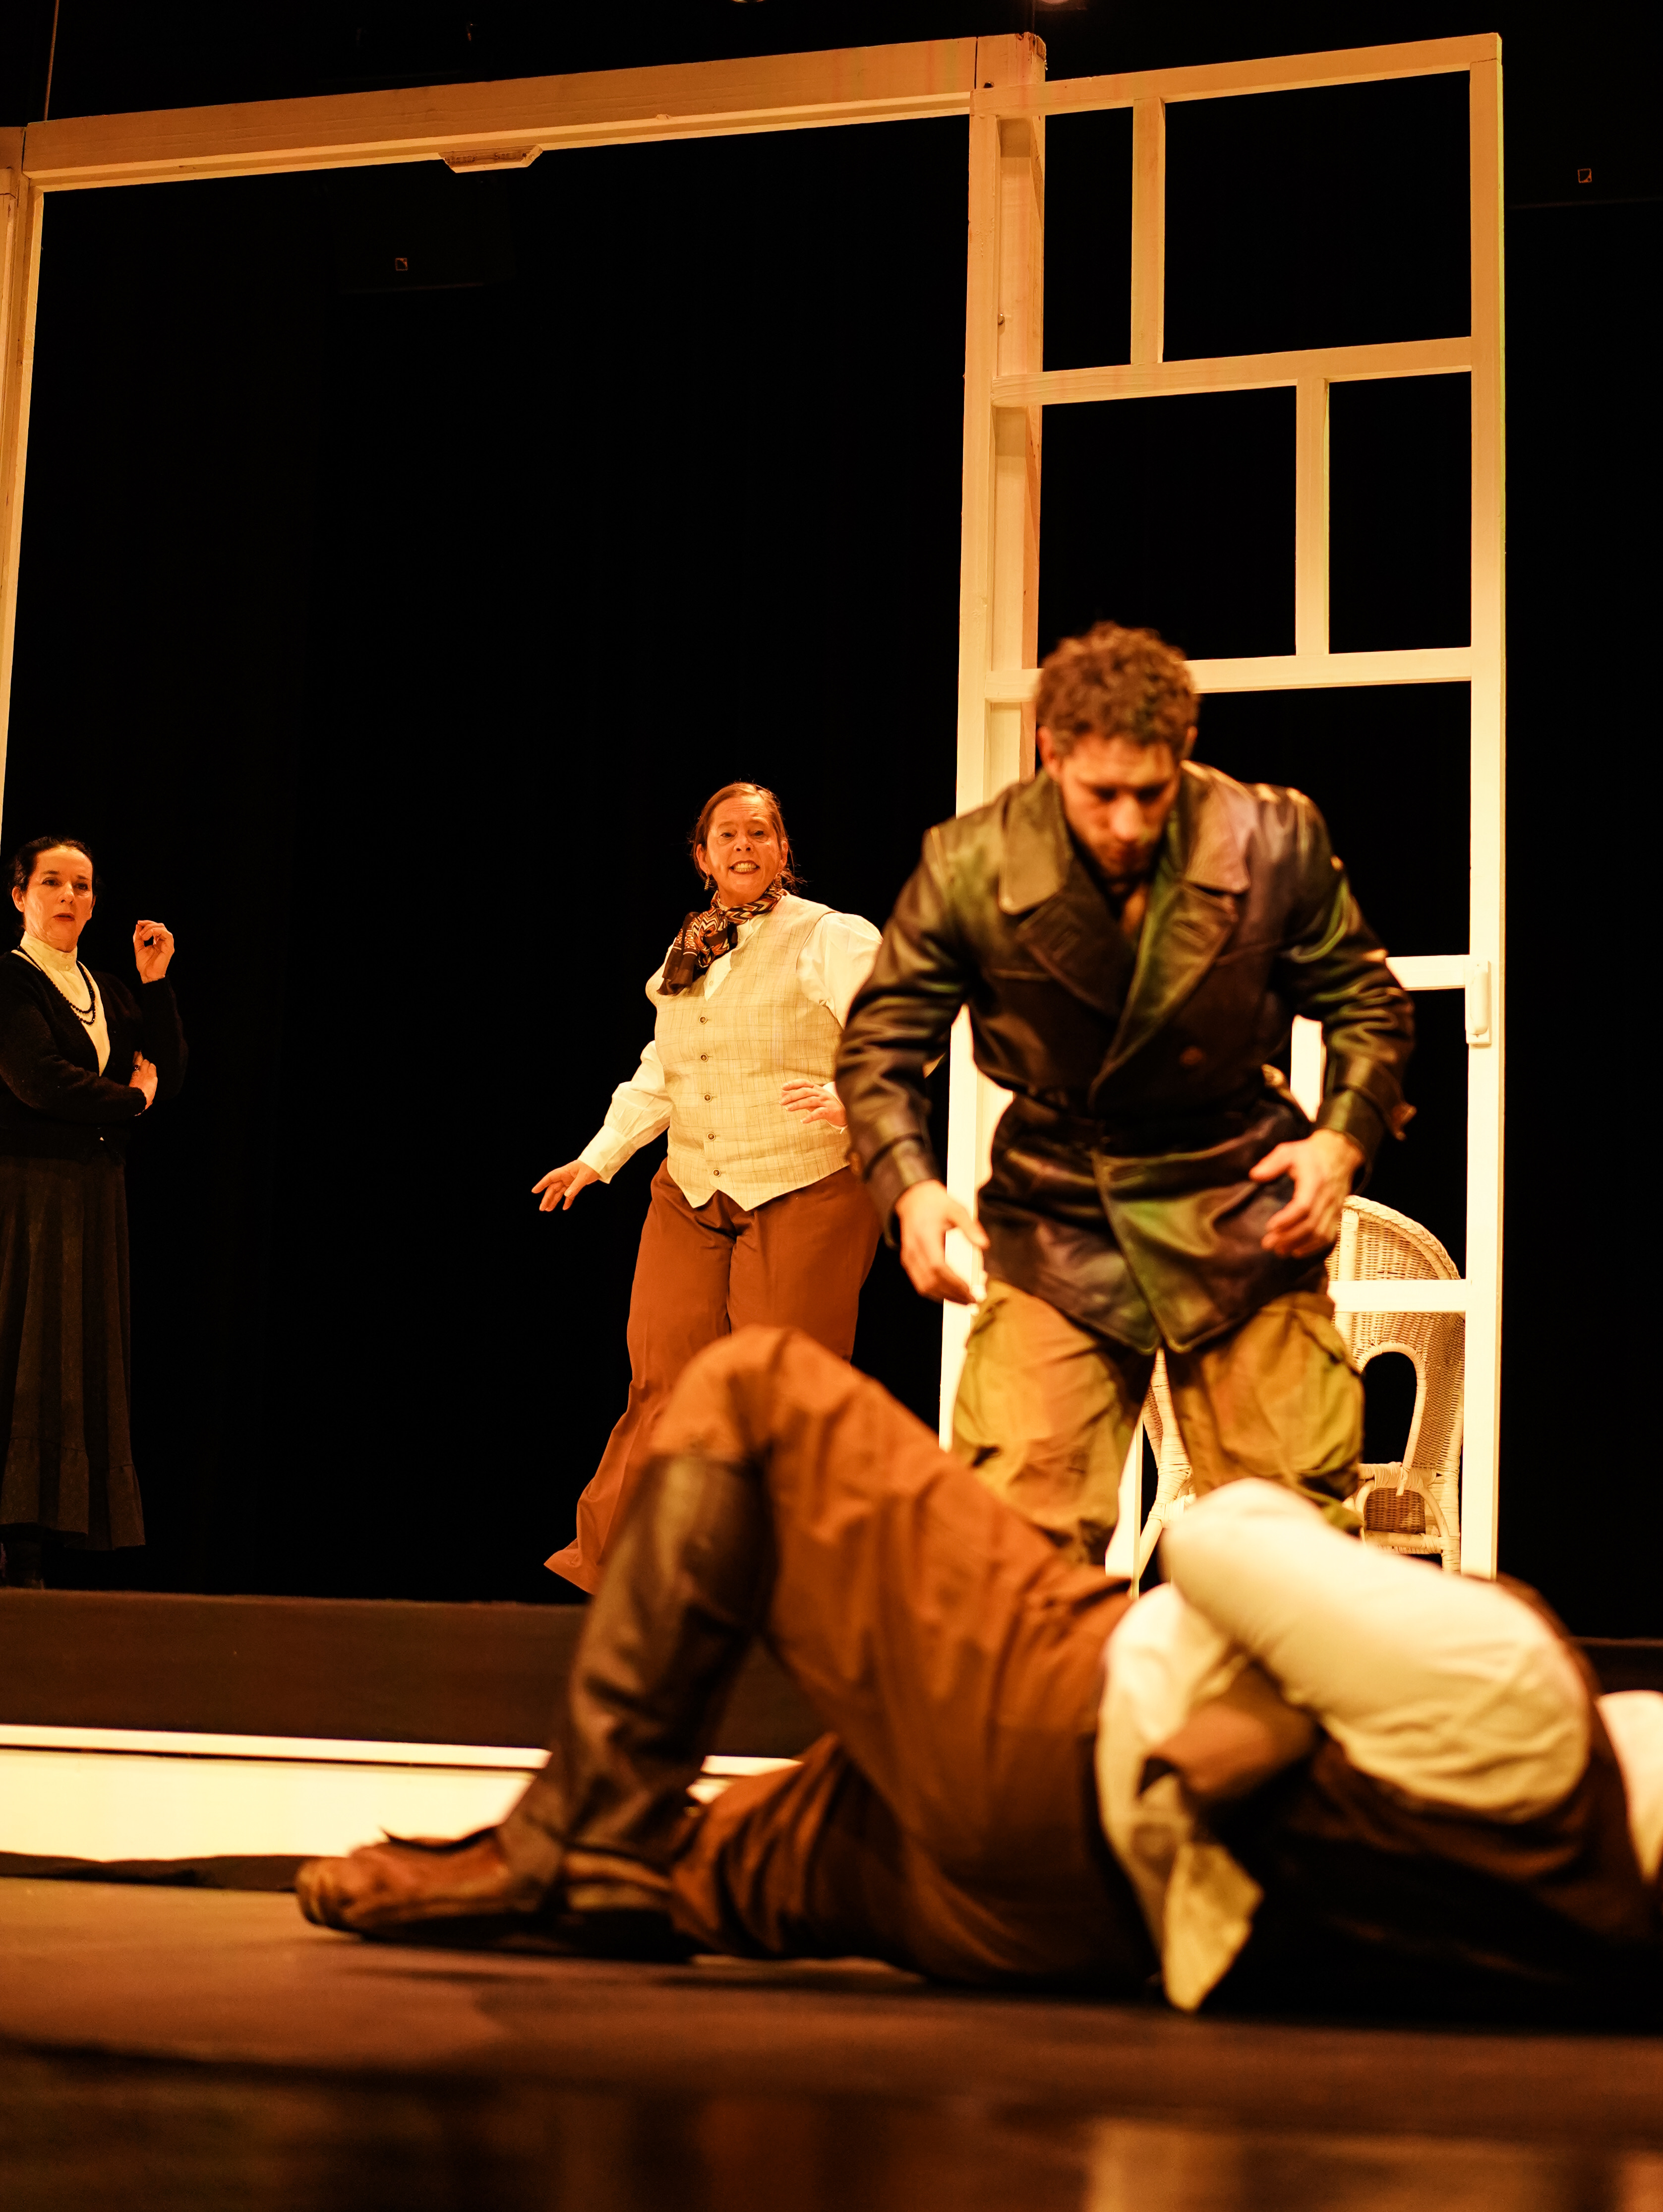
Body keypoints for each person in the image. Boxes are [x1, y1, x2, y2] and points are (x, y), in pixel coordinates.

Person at [297, 1327, 1663, 2023]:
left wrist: (1301, 1683)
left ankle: (569, 1836)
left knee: (755, 1388)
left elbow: (1222, 1536)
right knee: (691, 1872)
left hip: (1054, 1718)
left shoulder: (1519, 1690)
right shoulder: (1607, 1947)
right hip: (1064, 1930)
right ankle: (587, 1862)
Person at [834, 621, 1416, 1563]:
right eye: (1100, 795)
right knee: (1013, 1546)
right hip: (1058, 1206)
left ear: (1183, 749)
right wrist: (908, 1187)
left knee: (1291, 1550)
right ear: (1049, 753)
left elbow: (1367, 1003)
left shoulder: (1271, 836)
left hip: (1238, 1201)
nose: (1127, 824)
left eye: (1150, 793)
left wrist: (1339, 1140)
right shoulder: (971, 862)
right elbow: (879, 1045)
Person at [536, 781, 882, 1592]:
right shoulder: (690, 948)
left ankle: (792, 1586)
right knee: (663, 1375)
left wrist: (858, 1092)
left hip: (805, 1181)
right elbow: (666, 1066)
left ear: (782, 851)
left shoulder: (829, 935)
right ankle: (627, 1573)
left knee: (783, 1387)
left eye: (759, 833)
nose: (743, 847)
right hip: (691, 1185)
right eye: (727, 835)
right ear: (702, 856)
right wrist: (599, 1157)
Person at [0, 836, 186, 1587]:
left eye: (81, 886)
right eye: (53, 882)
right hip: (27, 1192)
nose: (70, 897)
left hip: (93, 1194)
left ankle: (38, 1545)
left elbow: (167, 1074)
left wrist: (155, 983)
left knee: (72, 1357)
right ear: (21, 895)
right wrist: (130, 1101)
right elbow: (38, 1079)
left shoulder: (104, 988)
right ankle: (13, 1545)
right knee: (24, 1351)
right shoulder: (11, 982)